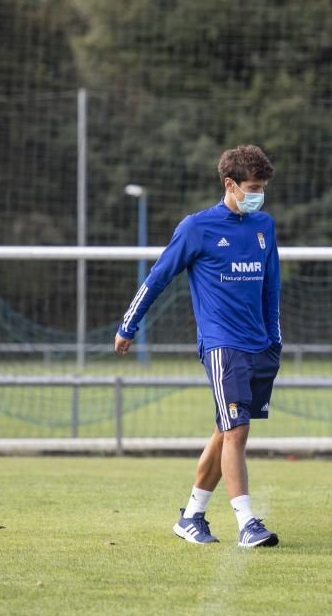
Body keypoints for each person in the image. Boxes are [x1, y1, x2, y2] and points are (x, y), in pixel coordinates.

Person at [114, 145, 282, 548]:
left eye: (262, 188)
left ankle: (191, 517)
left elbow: (271, 286)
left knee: (225, 431)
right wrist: (128, 324)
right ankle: (247, 523)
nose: (258, 195)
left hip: (260, 345)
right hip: (222, 345)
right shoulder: (197, 228)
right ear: (230, 185)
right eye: (253, 187)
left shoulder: (264, 227)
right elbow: (158, 277)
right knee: (237, 430)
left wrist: (274, 337)